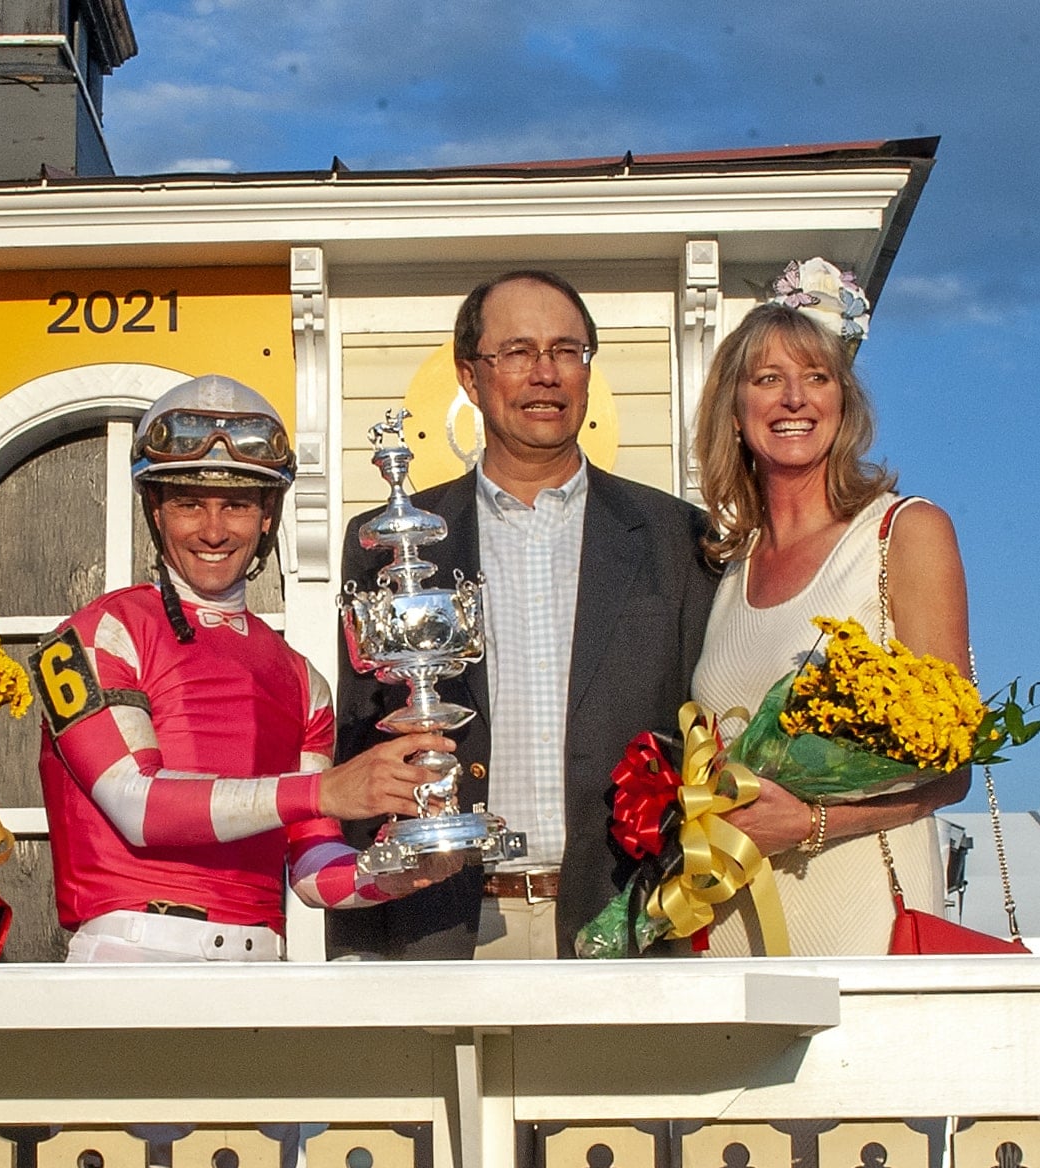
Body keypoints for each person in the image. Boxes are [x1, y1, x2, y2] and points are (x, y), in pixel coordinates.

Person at [329, 271, 718, 960]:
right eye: (516, 351)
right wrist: (359, 948)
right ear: (469, 377)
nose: (545, 373)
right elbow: (362, 744)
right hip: (446, 928)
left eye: (566, 351)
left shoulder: (676, 538)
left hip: (623, 926)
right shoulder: (392, 543)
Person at [36, 374, 465, 962]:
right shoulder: (97, 633)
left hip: (262, 964)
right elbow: (138, 806)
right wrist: (325, 791)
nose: (213, 531)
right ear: (156, 511)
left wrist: (400, 868)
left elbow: (312, 869)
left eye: (236, 505)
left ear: (267, 517)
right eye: (189, 504)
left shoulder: (302, 679)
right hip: (132, 955)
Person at [690, 301, 970, 955]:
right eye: (767, 379)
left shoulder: (902, 533)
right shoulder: (728, 567)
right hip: (727, 923)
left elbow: (952, 769)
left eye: (815, 376)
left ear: (842, 403)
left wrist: (810, 822)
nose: (794, 397)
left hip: (857, 918)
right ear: (734, 413)